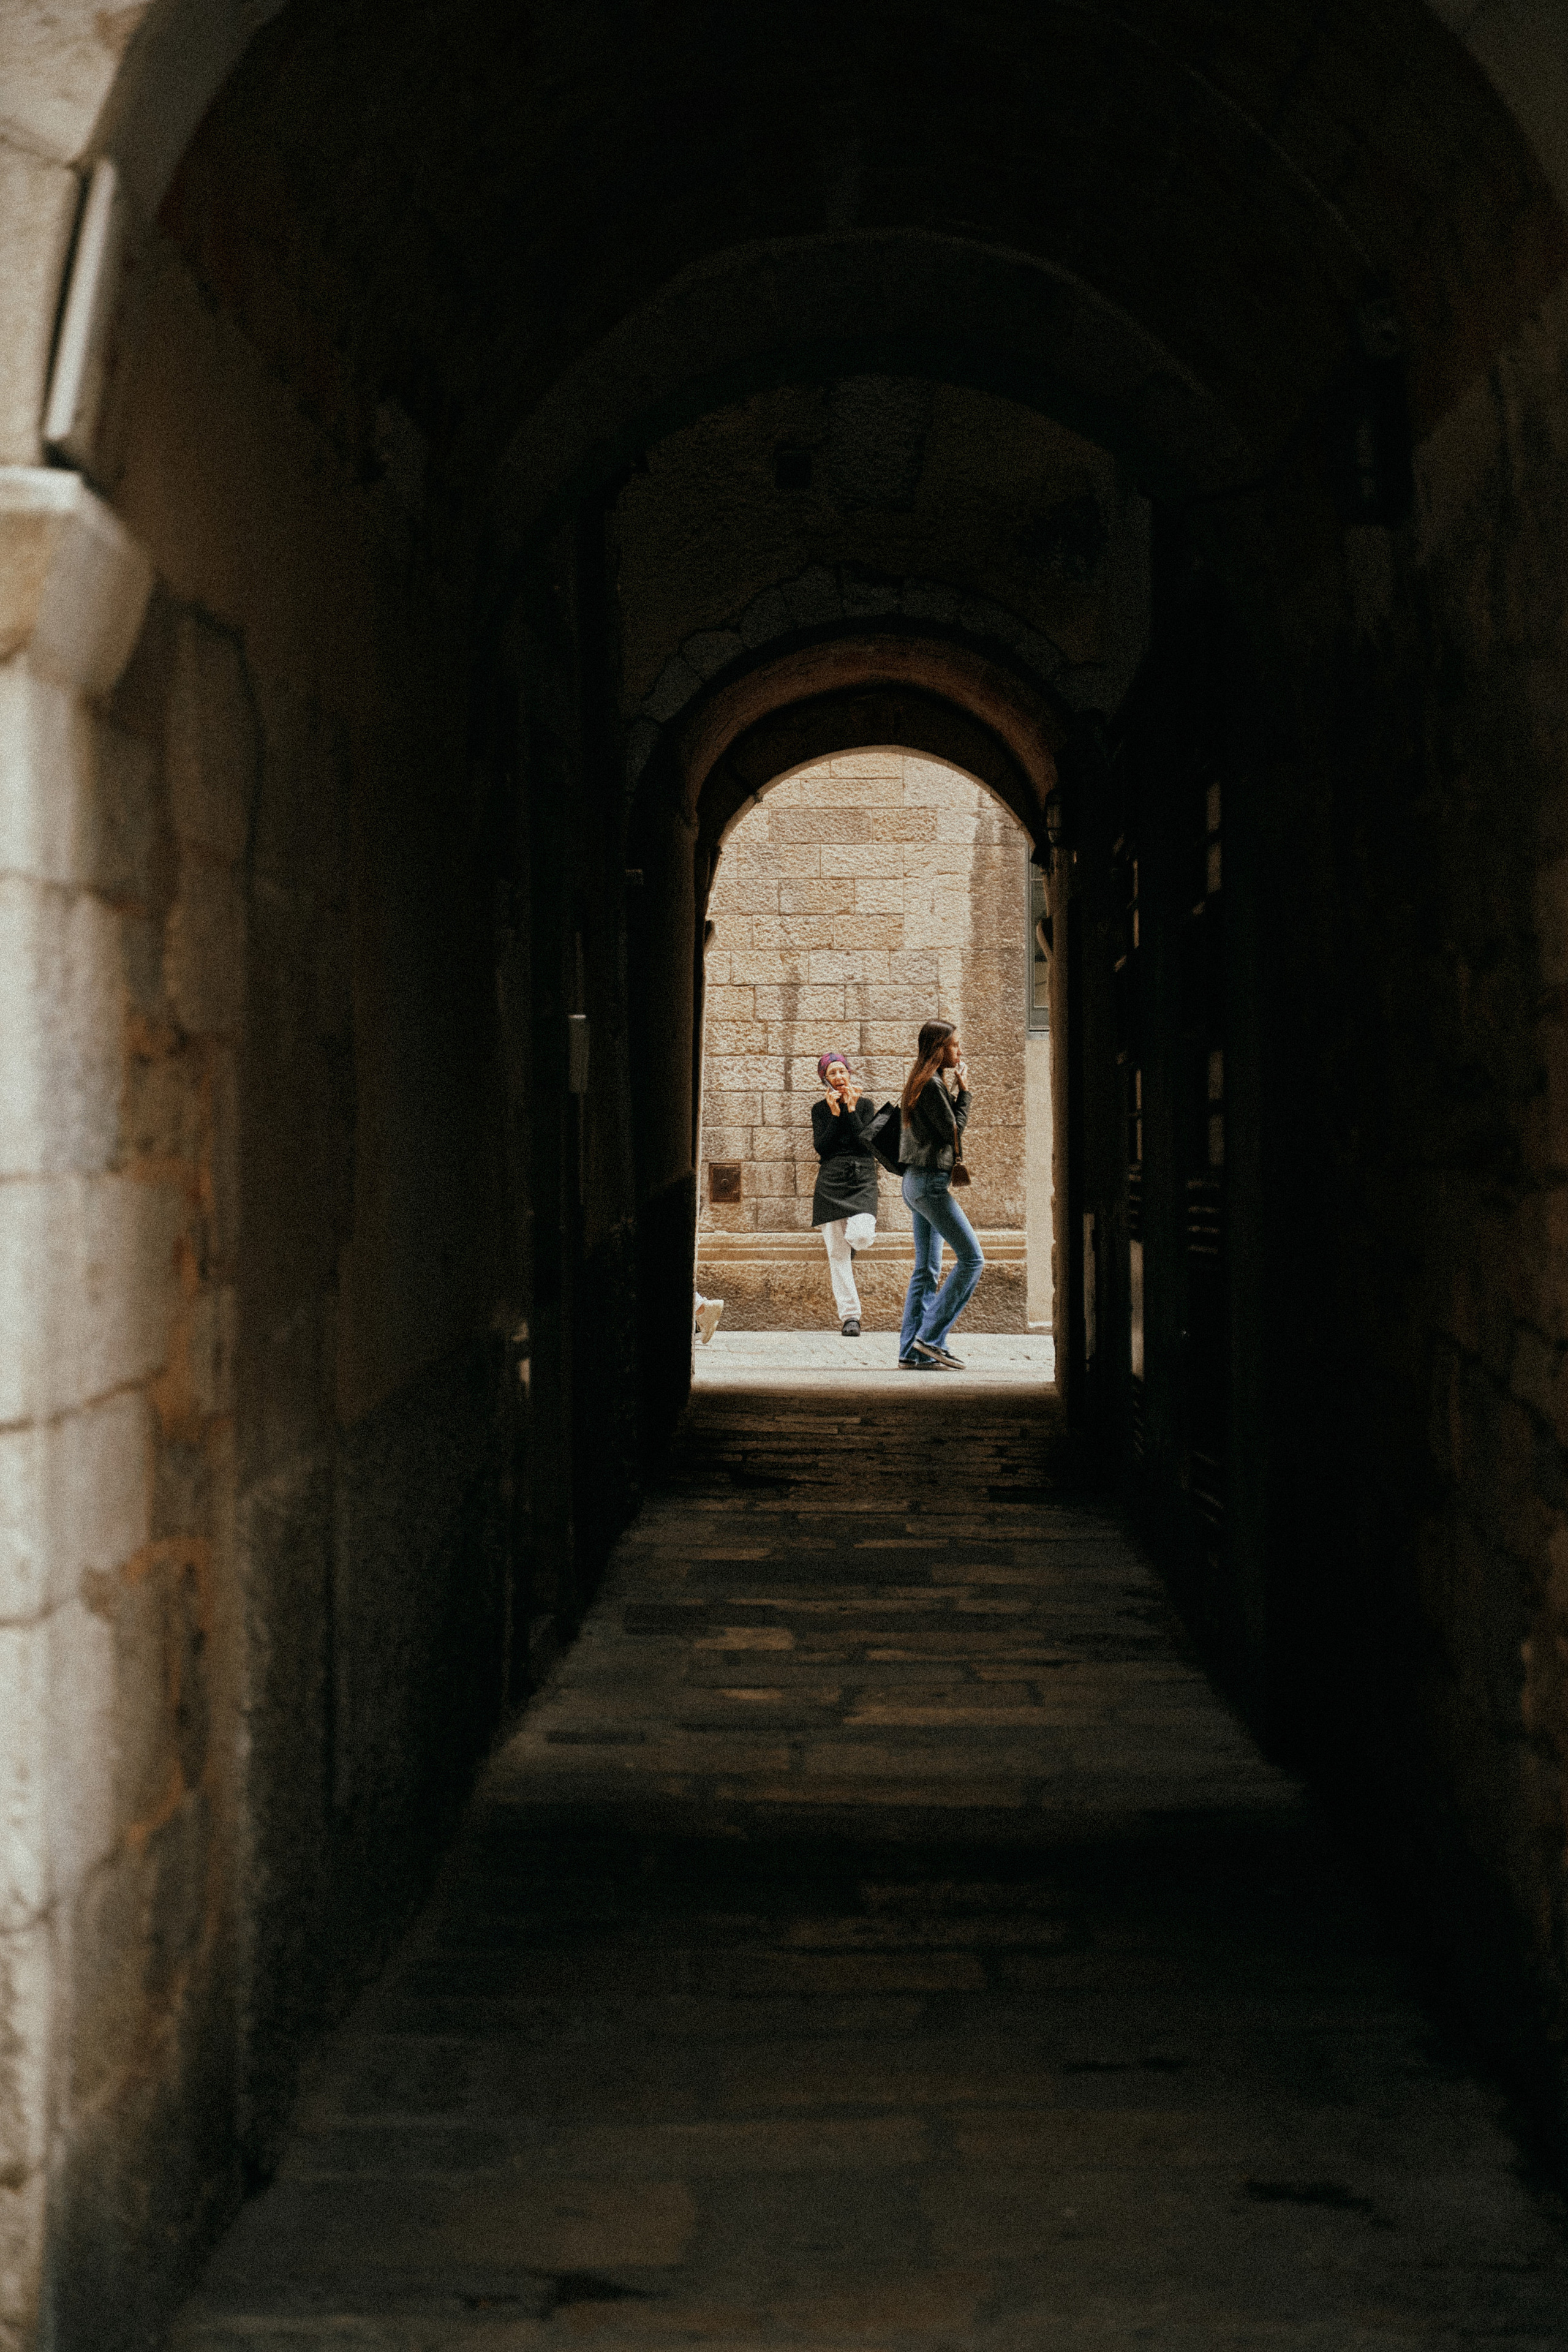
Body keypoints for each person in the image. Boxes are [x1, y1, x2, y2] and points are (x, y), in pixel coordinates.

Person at [897, 1019, 984, 1368]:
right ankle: (929, 1339)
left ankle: (911, 1352)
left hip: (917, 1183)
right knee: (973, 1260)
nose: (959, 1051)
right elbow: (954, 1132)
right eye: (954, 1046)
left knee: (927, 1269)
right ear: (938, 1049)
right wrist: (965, 1092)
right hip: (930, 1185)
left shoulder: (922, 1082)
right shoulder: (931, 1085)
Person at [810, 1049, 878, 1336]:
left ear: (849, 1073)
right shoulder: (819, 1109)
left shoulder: (865, 1105)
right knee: (837, 1253)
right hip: (830, 1180)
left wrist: (850, 1110)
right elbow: (823, 1148)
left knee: (860, 1235)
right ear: (825, 1080)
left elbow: (866, 1143)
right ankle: (850, 1317)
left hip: (862, 1177)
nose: (839, 1077)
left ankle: (853, 1247)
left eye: (842, 1071)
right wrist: (835, 1115)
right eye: (832, 1074)